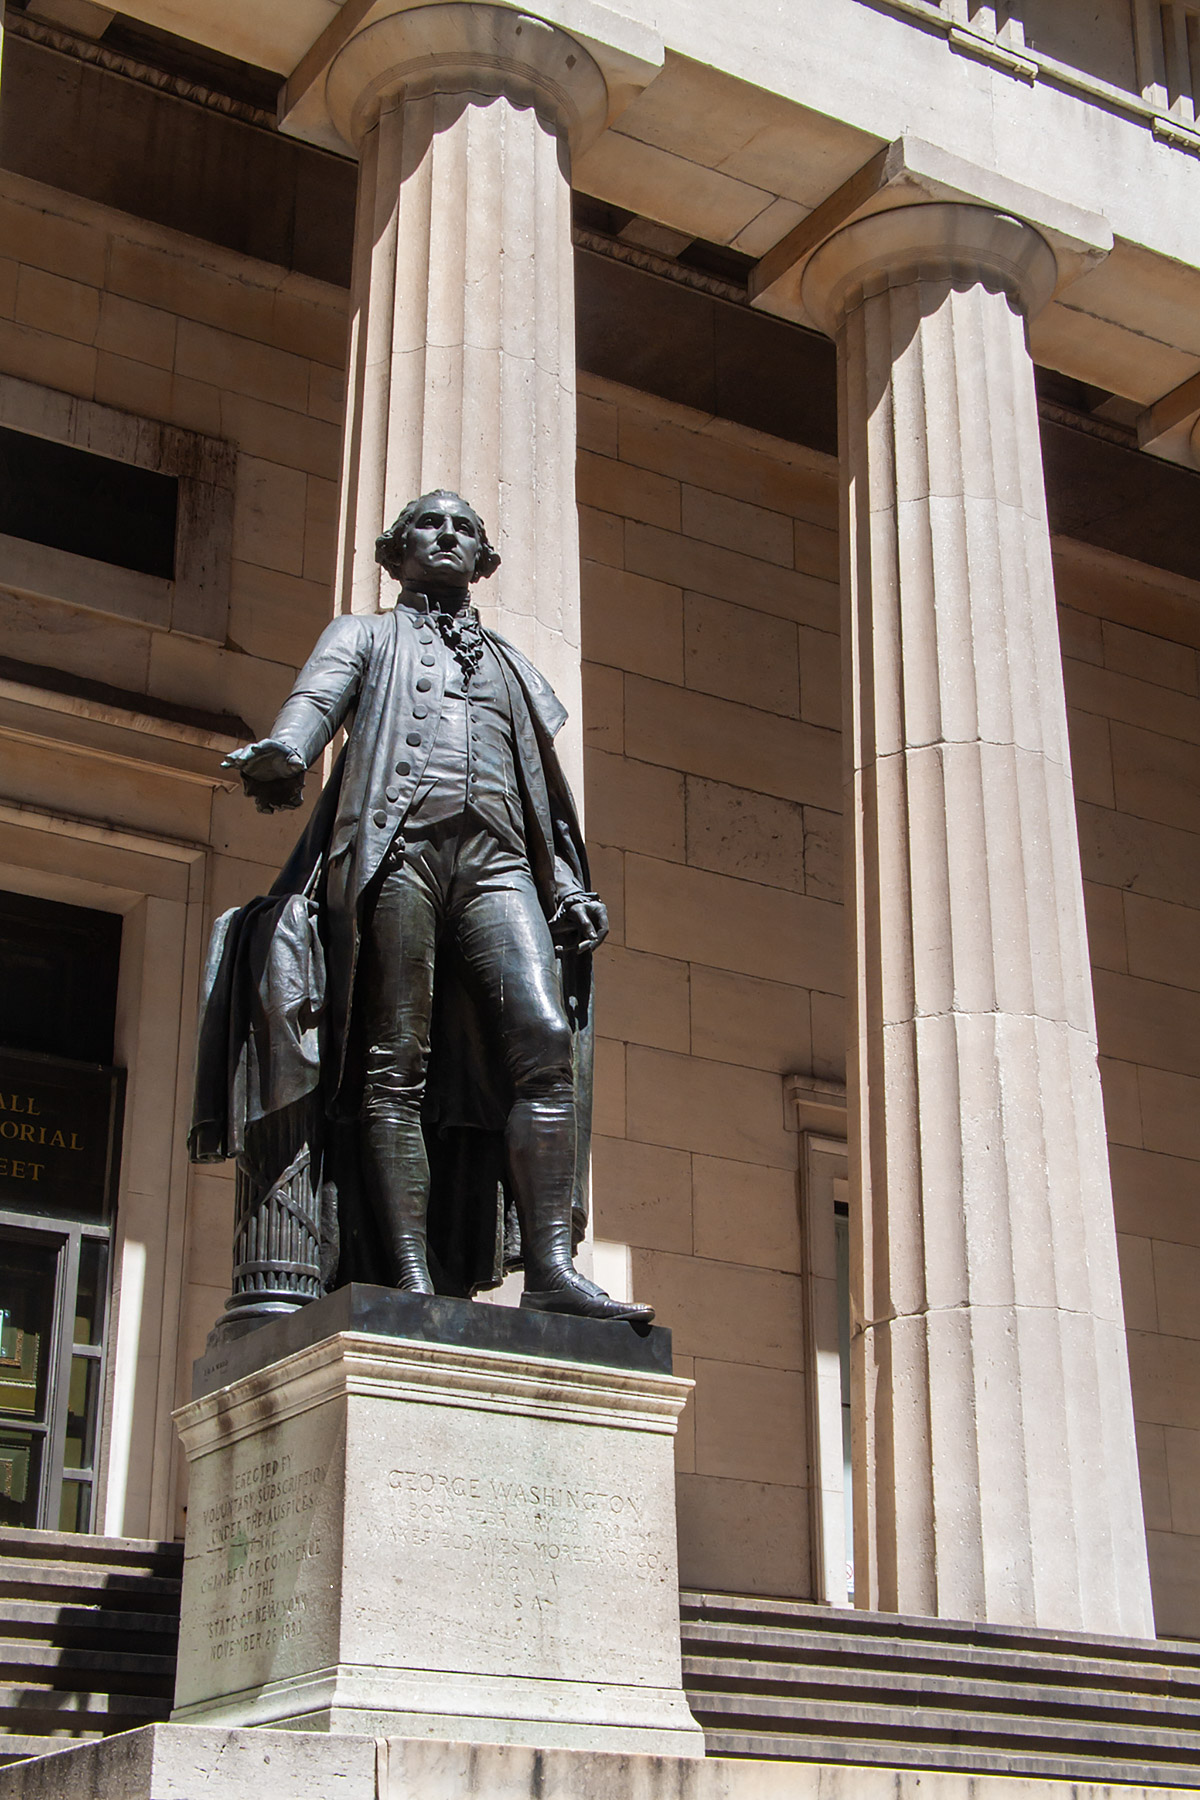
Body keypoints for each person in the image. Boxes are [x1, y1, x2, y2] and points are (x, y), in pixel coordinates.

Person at [220, 490, 652, 1325]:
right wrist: (286, 751)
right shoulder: (365, 634)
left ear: (483, 560)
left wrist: (563, 881)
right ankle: (411, 1275)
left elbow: (542, 797)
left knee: (545, 1042)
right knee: (395, 1060)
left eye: (465, 529)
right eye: (430, 523)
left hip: (497, 863)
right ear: (396, 550)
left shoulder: (511, 665)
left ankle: (554, 1267)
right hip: (395, 853)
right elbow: (315, 704)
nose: (447, 536)